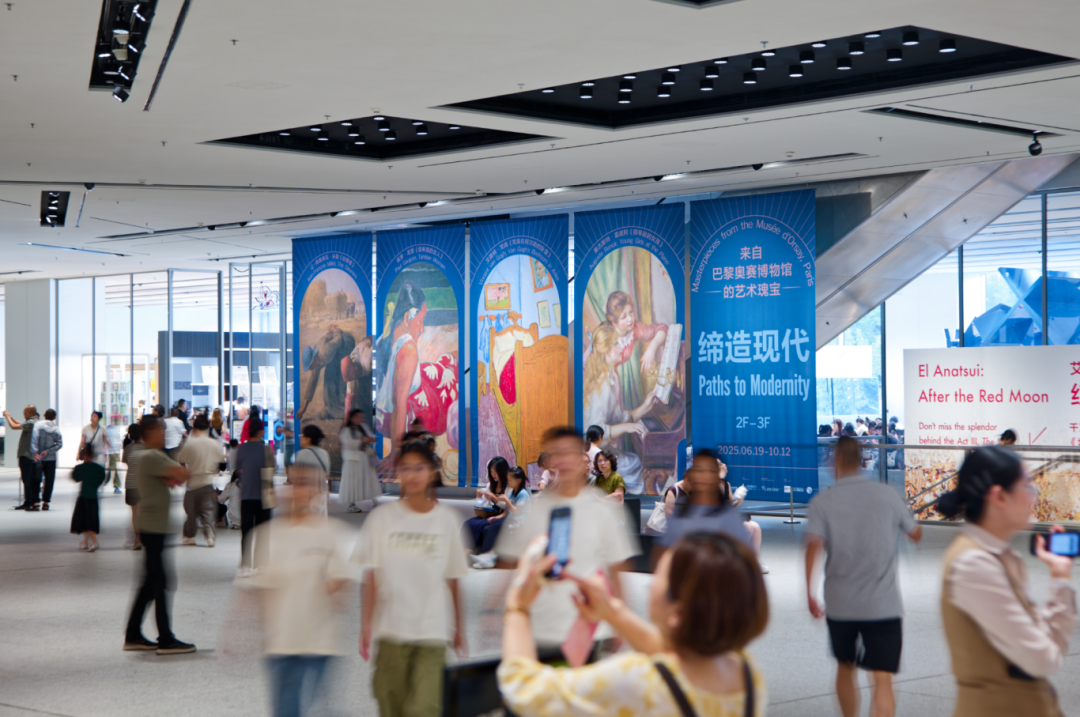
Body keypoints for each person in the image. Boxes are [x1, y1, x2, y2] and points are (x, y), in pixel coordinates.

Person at [498, 532, 768, 717]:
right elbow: (675, 652)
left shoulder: (638, 680)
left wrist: (517, 604)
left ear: (678, 612)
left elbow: (523, 689)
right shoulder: (746, 673)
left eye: (658, 575)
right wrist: (613, 612)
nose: (650, 583)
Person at [936, 446, 1074, 716]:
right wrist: (1060, 583)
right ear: (999, 496)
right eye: (1026, 488)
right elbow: (1041, 659)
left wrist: (1060, 575)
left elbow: (1042, 643)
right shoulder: (974, 565)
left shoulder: (999, 556)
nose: (1033, 498)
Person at [804, 436, 922, 717]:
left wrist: (810, 593)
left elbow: (813, 547)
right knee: (882, 679)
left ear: (837, 461)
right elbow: (915, 534)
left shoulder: (823, 502)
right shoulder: (887, 495)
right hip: (883, 604)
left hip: (840, 603)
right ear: (862, 460)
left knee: (845, 667)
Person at [496, 427, 638, 658]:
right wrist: (495, 612)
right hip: (541, 628)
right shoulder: (538, 508)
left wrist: (621, 621)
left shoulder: (602, 512)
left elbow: (618, 570)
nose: (565, 459)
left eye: (571, 452)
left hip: (588, 630)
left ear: (583, 459)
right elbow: (509, 561)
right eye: (557, 453)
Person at [353, 440, 468, 717]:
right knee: (391, 705)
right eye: (406, 468)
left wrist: (459, 628)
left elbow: (453, 578)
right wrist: (365, 624)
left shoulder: (447, 521)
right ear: (398, 473)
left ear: (431, 472)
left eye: (420, 468)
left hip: (432, 631)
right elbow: (372, 575)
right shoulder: (382, 519)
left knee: (424, 708)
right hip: (391, 630)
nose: (413, 475)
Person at [243, 466, 356, 717]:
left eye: (307, 484)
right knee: (286, 706)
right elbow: (257, 589)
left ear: (318, 491)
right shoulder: (268, 534)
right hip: (281, 641)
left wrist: (332, 591)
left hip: (319, 641)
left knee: (315, 705)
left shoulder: (330, 533)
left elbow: (341, 578)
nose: (299, 490)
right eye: (294, 483)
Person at [124, 414, 196, 655]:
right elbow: (183, 475)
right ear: (149, 434)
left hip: (152, 526)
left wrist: (172, 474)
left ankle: (133, 634)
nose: (165, 434)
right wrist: (176, 472)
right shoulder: (152, 455)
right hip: (154, 527)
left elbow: (173, 478)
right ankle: (166, 638)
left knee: (149, 583)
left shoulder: (144, 456)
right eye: (161, 430)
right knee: (161, 582)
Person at [583, 325, 660, 494]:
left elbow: (620, 416)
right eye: (616, 344)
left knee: (633, 461)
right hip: (592, 454)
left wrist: (645, 406)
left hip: (601, 451)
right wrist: (627, 427)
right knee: (634, 464)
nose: (621, 347)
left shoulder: (611, 375)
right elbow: (596, 433)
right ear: (607, 352)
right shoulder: (601, 385)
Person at [178, 414, 225, 548]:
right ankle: (210, 537)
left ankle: (189, 537)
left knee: (191, 512)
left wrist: (184, 472)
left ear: (194, 427)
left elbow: (181, 461)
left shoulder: (190, 444)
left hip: (192, 483)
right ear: (208, 427)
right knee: (208, 511)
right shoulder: (214, 443)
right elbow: (222, 464)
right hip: (207, 482)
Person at [471, 466, 531, 570]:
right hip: (511, 520)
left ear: (519, 480)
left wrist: (506, 500)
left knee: (493, 529)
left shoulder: (523, 494)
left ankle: (489, 558)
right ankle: (486, 556)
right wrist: (496, 518)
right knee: (488, 526)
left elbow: (516, 512)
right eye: (508, 480)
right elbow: (507, 511)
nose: (508, 482)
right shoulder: (513, 492)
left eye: (510, 480)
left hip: (519, 522)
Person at [236, 419, 274, 576]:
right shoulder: (266, 449)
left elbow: (238, 469)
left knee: (246, 532)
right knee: (262, 532)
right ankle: (261, 565)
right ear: (259, 431)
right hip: (264, 496)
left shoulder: (242, 449)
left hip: (246, 495)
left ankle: (245, 566)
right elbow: (272, 469)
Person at [298, 324, 357, 422]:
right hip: (336, 353)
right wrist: (304, 407)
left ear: (313, 360)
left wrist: (335, 330)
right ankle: (332, 411)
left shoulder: (325, 351)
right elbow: (312, 383)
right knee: (329, 378)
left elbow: (338, 340)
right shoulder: (317, 361)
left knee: (342, 376)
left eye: (309, 366)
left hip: (345, 343)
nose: (309, 369)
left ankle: (345, 411)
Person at [466, 457, 510, 559]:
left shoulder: (509, 486)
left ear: (502, 471)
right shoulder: (491, 484)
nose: (493, 474)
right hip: (490, 513)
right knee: (469, 523)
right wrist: (479, 497)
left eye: (496, 472)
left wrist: (495, 499)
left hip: (502, 514)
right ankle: (469, 550)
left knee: (483, 526)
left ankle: (476, 551)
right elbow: (483, 502)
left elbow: (508, 507)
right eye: (491, 472)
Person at [339, 409, 379, 513]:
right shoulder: (346, 429)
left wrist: (371, 439)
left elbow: (369, 436)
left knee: (368, 480)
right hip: (352, 460)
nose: (359, 419)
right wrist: (363, 440)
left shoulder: (363, 427)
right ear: (351, 418)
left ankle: (374, 499)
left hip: (363, 458)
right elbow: (348, 444)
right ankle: (351, 504)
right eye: (356, 417)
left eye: (360, 417)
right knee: (352, 482)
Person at [71, 444, 107, 552]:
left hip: (84, 496)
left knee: (86, 520)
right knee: (90, 520)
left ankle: (94, 542)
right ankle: (84, 541)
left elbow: (75, 477)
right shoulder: (99, 469)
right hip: (94, 497)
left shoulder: (80, 468)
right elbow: (101, 480)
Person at [6, 405, 41, 511]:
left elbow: (13, 426)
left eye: (24, 411)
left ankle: (29, 503)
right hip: (31, 456)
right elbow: (20, 423)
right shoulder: (33, 422)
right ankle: (31, 502)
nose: (23, 413)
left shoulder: (31, 423)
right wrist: (11, 417)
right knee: (31, 480)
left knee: (27, 480)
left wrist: (7, 417)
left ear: (29, 412)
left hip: (27, 456)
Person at [31, 408, 63, 511]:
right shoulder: (56, 429)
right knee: (49, 481)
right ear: (54, 418)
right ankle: (46, 503)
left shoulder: (38, 425)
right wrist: (48, 451)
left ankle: (36, 502)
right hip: (51, 459)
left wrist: (35, 453)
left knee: (36, 480)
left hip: (38, 458)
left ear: (44, 415)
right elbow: (59, 444)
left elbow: (34, 440)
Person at [122, 423, 145, 550]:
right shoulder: (147, 449)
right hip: (143, 484)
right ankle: (142, 537)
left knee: (135, 513)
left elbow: (126, 462)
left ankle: (137, 538)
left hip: (130, 483)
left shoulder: (128, 448)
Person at [105, 417, 124, 493]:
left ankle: (106, 482)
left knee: (113, 468)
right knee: (115, 469)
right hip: (112, 452)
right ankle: (116, 485)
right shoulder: (109, 429)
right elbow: (107, 440)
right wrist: (112, 450)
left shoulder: (117, 429)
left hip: (116, 452)